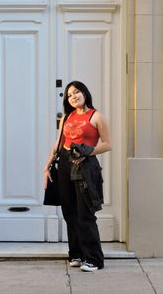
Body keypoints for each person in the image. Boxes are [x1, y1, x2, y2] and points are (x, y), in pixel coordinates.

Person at [44, 81, 112, 272]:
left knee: (85, 213)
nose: (73, 96)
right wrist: (47, 165)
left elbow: (108, 144)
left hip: (85, 165)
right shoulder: (66, 116)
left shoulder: (96, 116)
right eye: (69, 95)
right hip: (65, 163)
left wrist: (86, 152)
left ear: (84, 92)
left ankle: (94, 259)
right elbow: (59, 143)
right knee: (69, 212)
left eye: (76, 92)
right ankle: (77, 254)